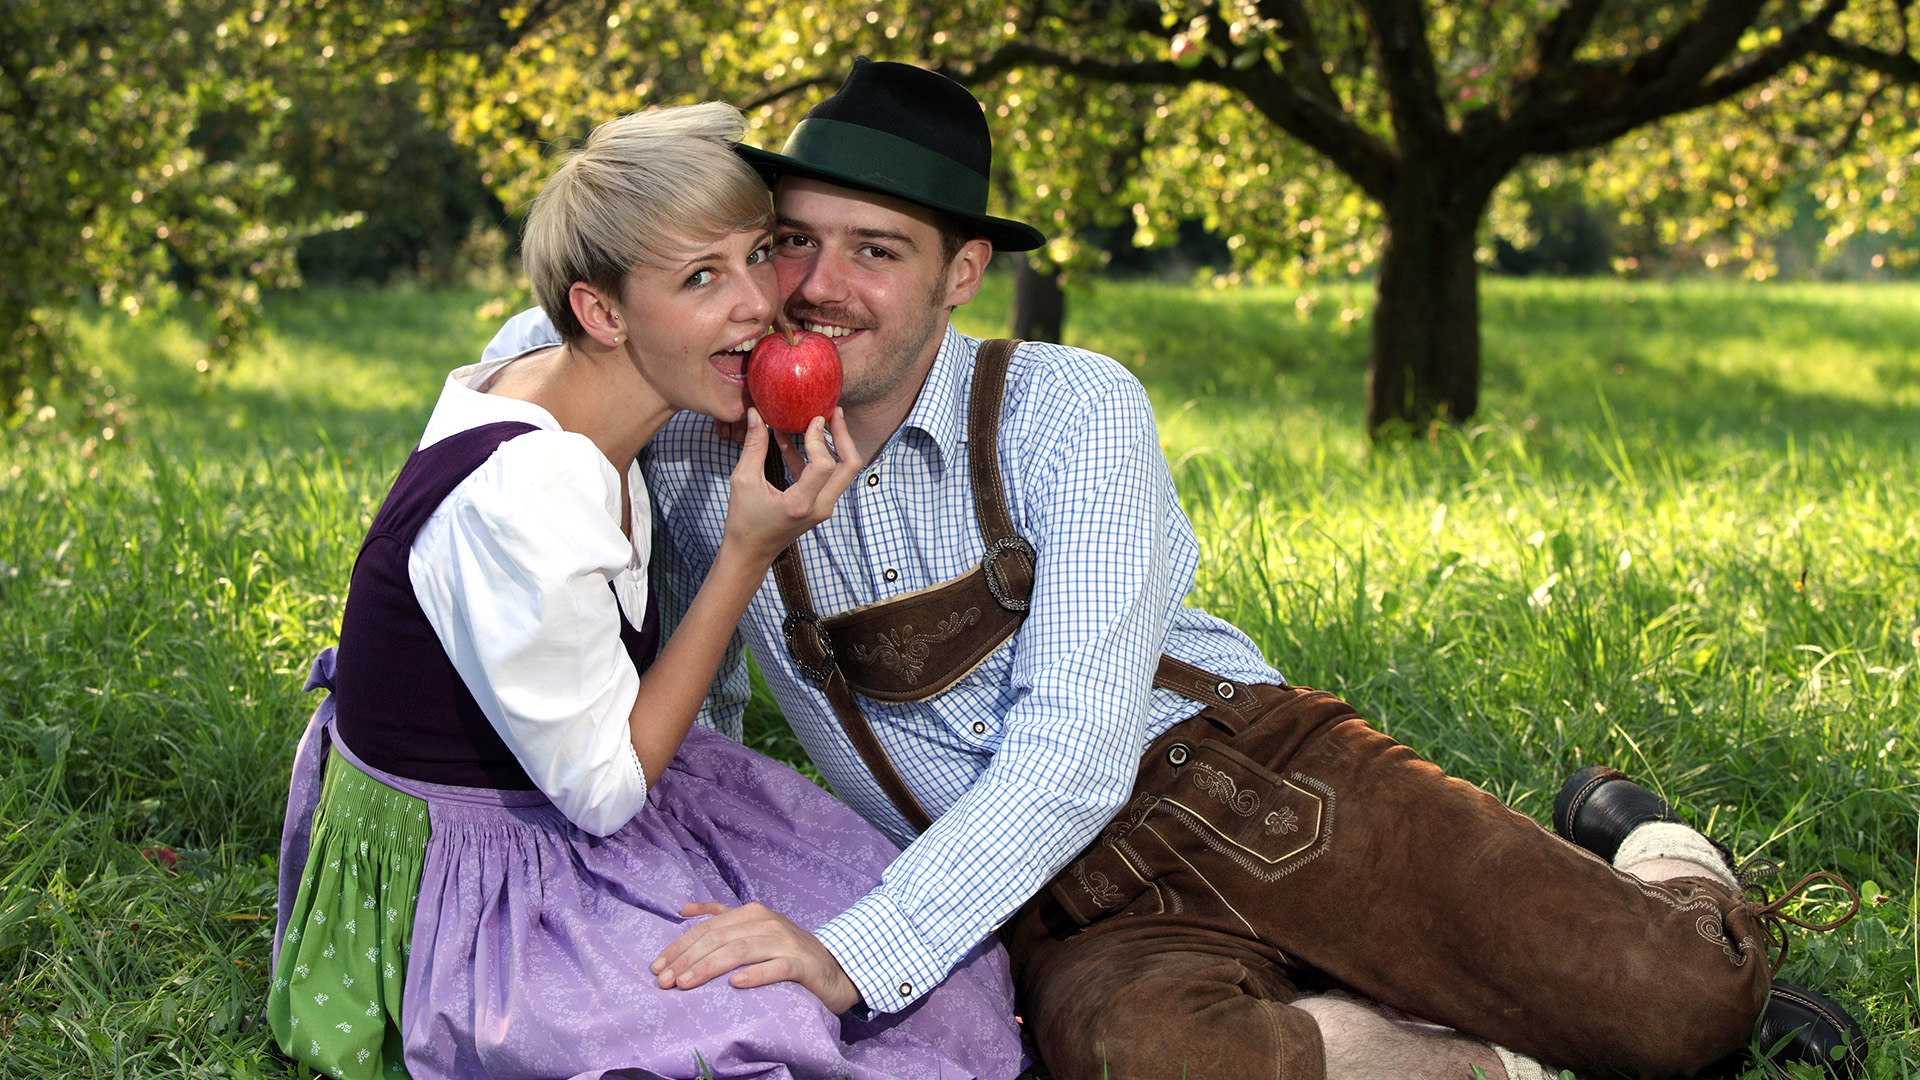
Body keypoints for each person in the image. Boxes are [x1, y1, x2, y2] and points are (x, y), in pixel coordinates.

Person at [484, 62, 1866, 1080]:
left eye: (878, 251)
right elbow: (533, 356)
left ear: (962, 273)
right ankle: (1493, 1049)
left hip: (1253, 785)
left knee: (1683, 1015)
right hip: (1043, 899)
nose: (819, 288)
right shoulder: (696, 438)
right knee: (1136, 1069)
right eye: (794, 242)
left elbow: (1080, 745)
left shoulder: (1065, 408)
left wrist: (858, 951)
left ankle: (1648, 851)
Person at [268, 102, 1024, 1080]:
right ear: (601, 313)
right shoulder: (521, 496)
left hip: (602, 775)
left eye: (759, 255)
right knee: (761, 1034)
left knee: (934, 962)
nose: (762, 304)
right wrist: (748, 552)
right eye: (702, 278)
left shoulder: (590, 394)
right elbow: (604, 791)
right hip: (487, 867)